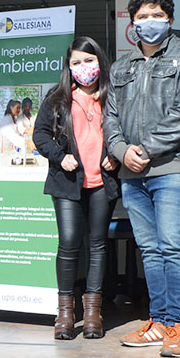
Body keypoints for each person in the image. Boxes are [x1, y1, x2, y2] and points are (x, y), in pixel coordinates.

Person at [104, 0, 180, 358]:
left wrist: (144, 150)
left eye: (156, 15)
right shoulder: (122, 67)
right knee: (149, 249)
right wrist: (120, 150)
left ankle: (179, 326)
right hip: (132, 172)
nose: (150, 23)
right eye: (143, 17)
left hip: (172, 167)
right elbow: (110, 118)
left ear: (170, 19)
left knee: (172, 246)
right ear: (132, 24)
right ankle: (159, 321)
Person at [33, 37, 120, 339]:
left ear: (100, 62)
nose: (83, 67)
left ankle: (93, 313)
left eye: (89, 60)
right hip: (67, 182)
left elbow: (126, 132)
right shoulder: (57, 98)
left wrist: (116, 158)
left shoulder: (113, 97)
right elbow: (40, 136)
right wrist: (60, 156)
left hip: (101, 182)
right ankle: (66, 314)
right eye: (76, 63)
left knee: (97, 245)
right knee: (69, 242)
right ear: (68, 68)